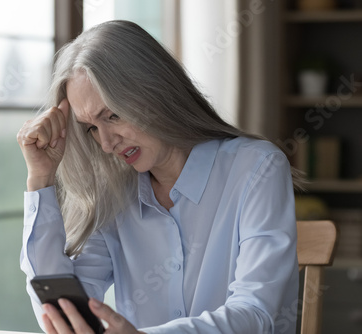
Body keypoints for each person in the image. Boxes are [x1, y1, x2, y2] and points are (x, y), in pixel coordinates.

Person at [18, 20, 299, 334]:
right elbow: (64, 311)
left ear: (156, 91)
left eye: (113, 115)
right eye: (92, 129)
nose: (107, 143)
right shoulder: (114, 192)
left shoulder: (257, 168)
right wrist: (40, 178)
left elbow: (255, 314)